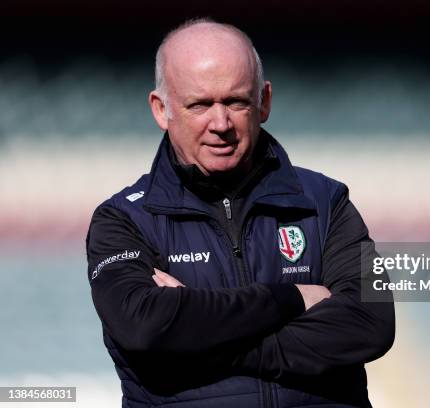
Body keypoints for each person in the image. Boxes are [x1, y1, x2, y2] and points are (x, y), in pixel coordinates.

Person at [86, 18, 395, 408]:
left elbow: (371, 326)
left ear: (263, 102)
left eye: (236, 102)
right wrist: (290, 299)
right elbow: (144, 326)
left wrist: (200, 336)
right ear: (161, 110)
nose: (221, 124)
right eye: (199, 104)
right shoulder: (123, 220)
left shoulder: (325, 201)